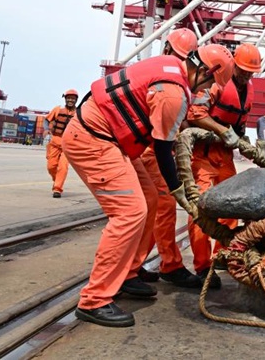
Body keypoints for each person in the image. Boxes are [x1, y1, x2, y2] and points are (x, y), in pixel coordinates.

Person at [62, 44, 234, 328]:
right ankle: (94, 299)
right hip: (94, 139)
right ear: (204, 71)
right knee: (129, 212)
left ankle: (128, 273)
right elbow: (164, 150)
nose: (207, 90)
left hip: (111, 139)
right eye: (210, 83)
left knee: (151, 199)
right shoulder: (173, 94)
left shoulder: (171, 66)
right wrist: (180, 192)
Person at [186, 43, 261, 288]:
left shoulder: (248, 91)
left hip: (225, 157)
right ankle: (202, 266)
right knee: (201, 209)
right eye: (243, 70)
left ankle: (222, 255)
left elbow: (240, 124)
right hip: (203, 155)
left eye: (251, 72)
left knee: (231, 206)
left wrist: (244, 140)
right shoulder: (216, 84)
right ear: (234, 66)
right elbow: (195, 113)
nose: (246, 75)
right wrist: (221, 131)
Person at [134, 28, 205, 288]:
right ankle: (170, 264)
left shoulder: (159, 73)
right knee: (163, 207)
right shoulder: (172, 84)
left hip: (152, 147)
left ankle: (133, 266)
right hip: (152, 150)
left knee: (151, 210)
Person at [44, 89, 78, 198]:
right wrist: (46, 129)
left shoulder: (79, 113)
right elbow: (46, 120)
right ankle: (56, 180)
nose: (70, 100)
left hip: (68, 145)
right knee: (51, 166)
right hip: (55, 142)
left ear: (76, 100)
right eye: (69, 98)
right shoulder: (57, 109)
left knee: (63, 167)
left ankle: (57, 189)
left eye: (73, 99)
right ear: (65, 99)